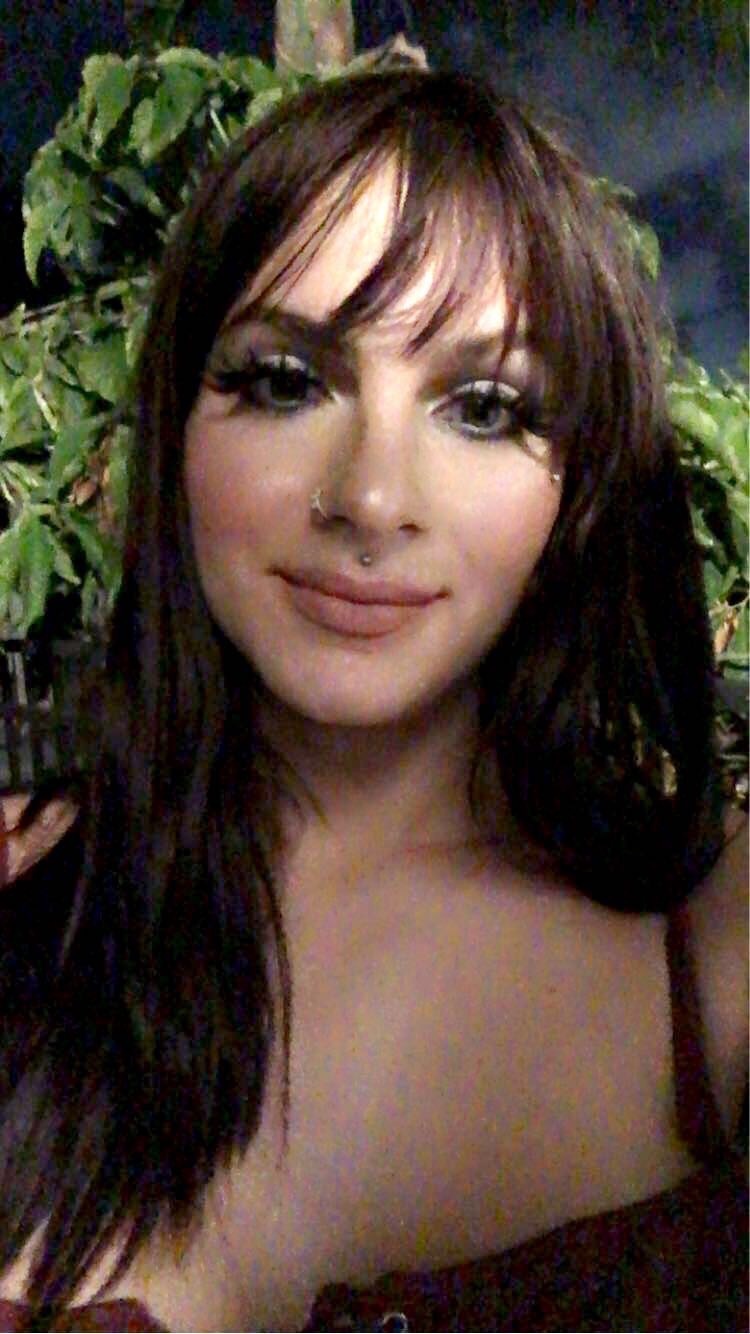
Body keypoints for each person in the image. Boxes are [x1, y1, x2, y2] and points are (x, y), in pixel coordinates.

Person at [0, 66, 746, 1333]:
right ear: (177, 429)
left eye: (485, 406)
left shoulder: (718, 940)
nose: (371, 497)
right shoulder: (39, 914)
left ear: (580, 488)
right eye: (285, 381)